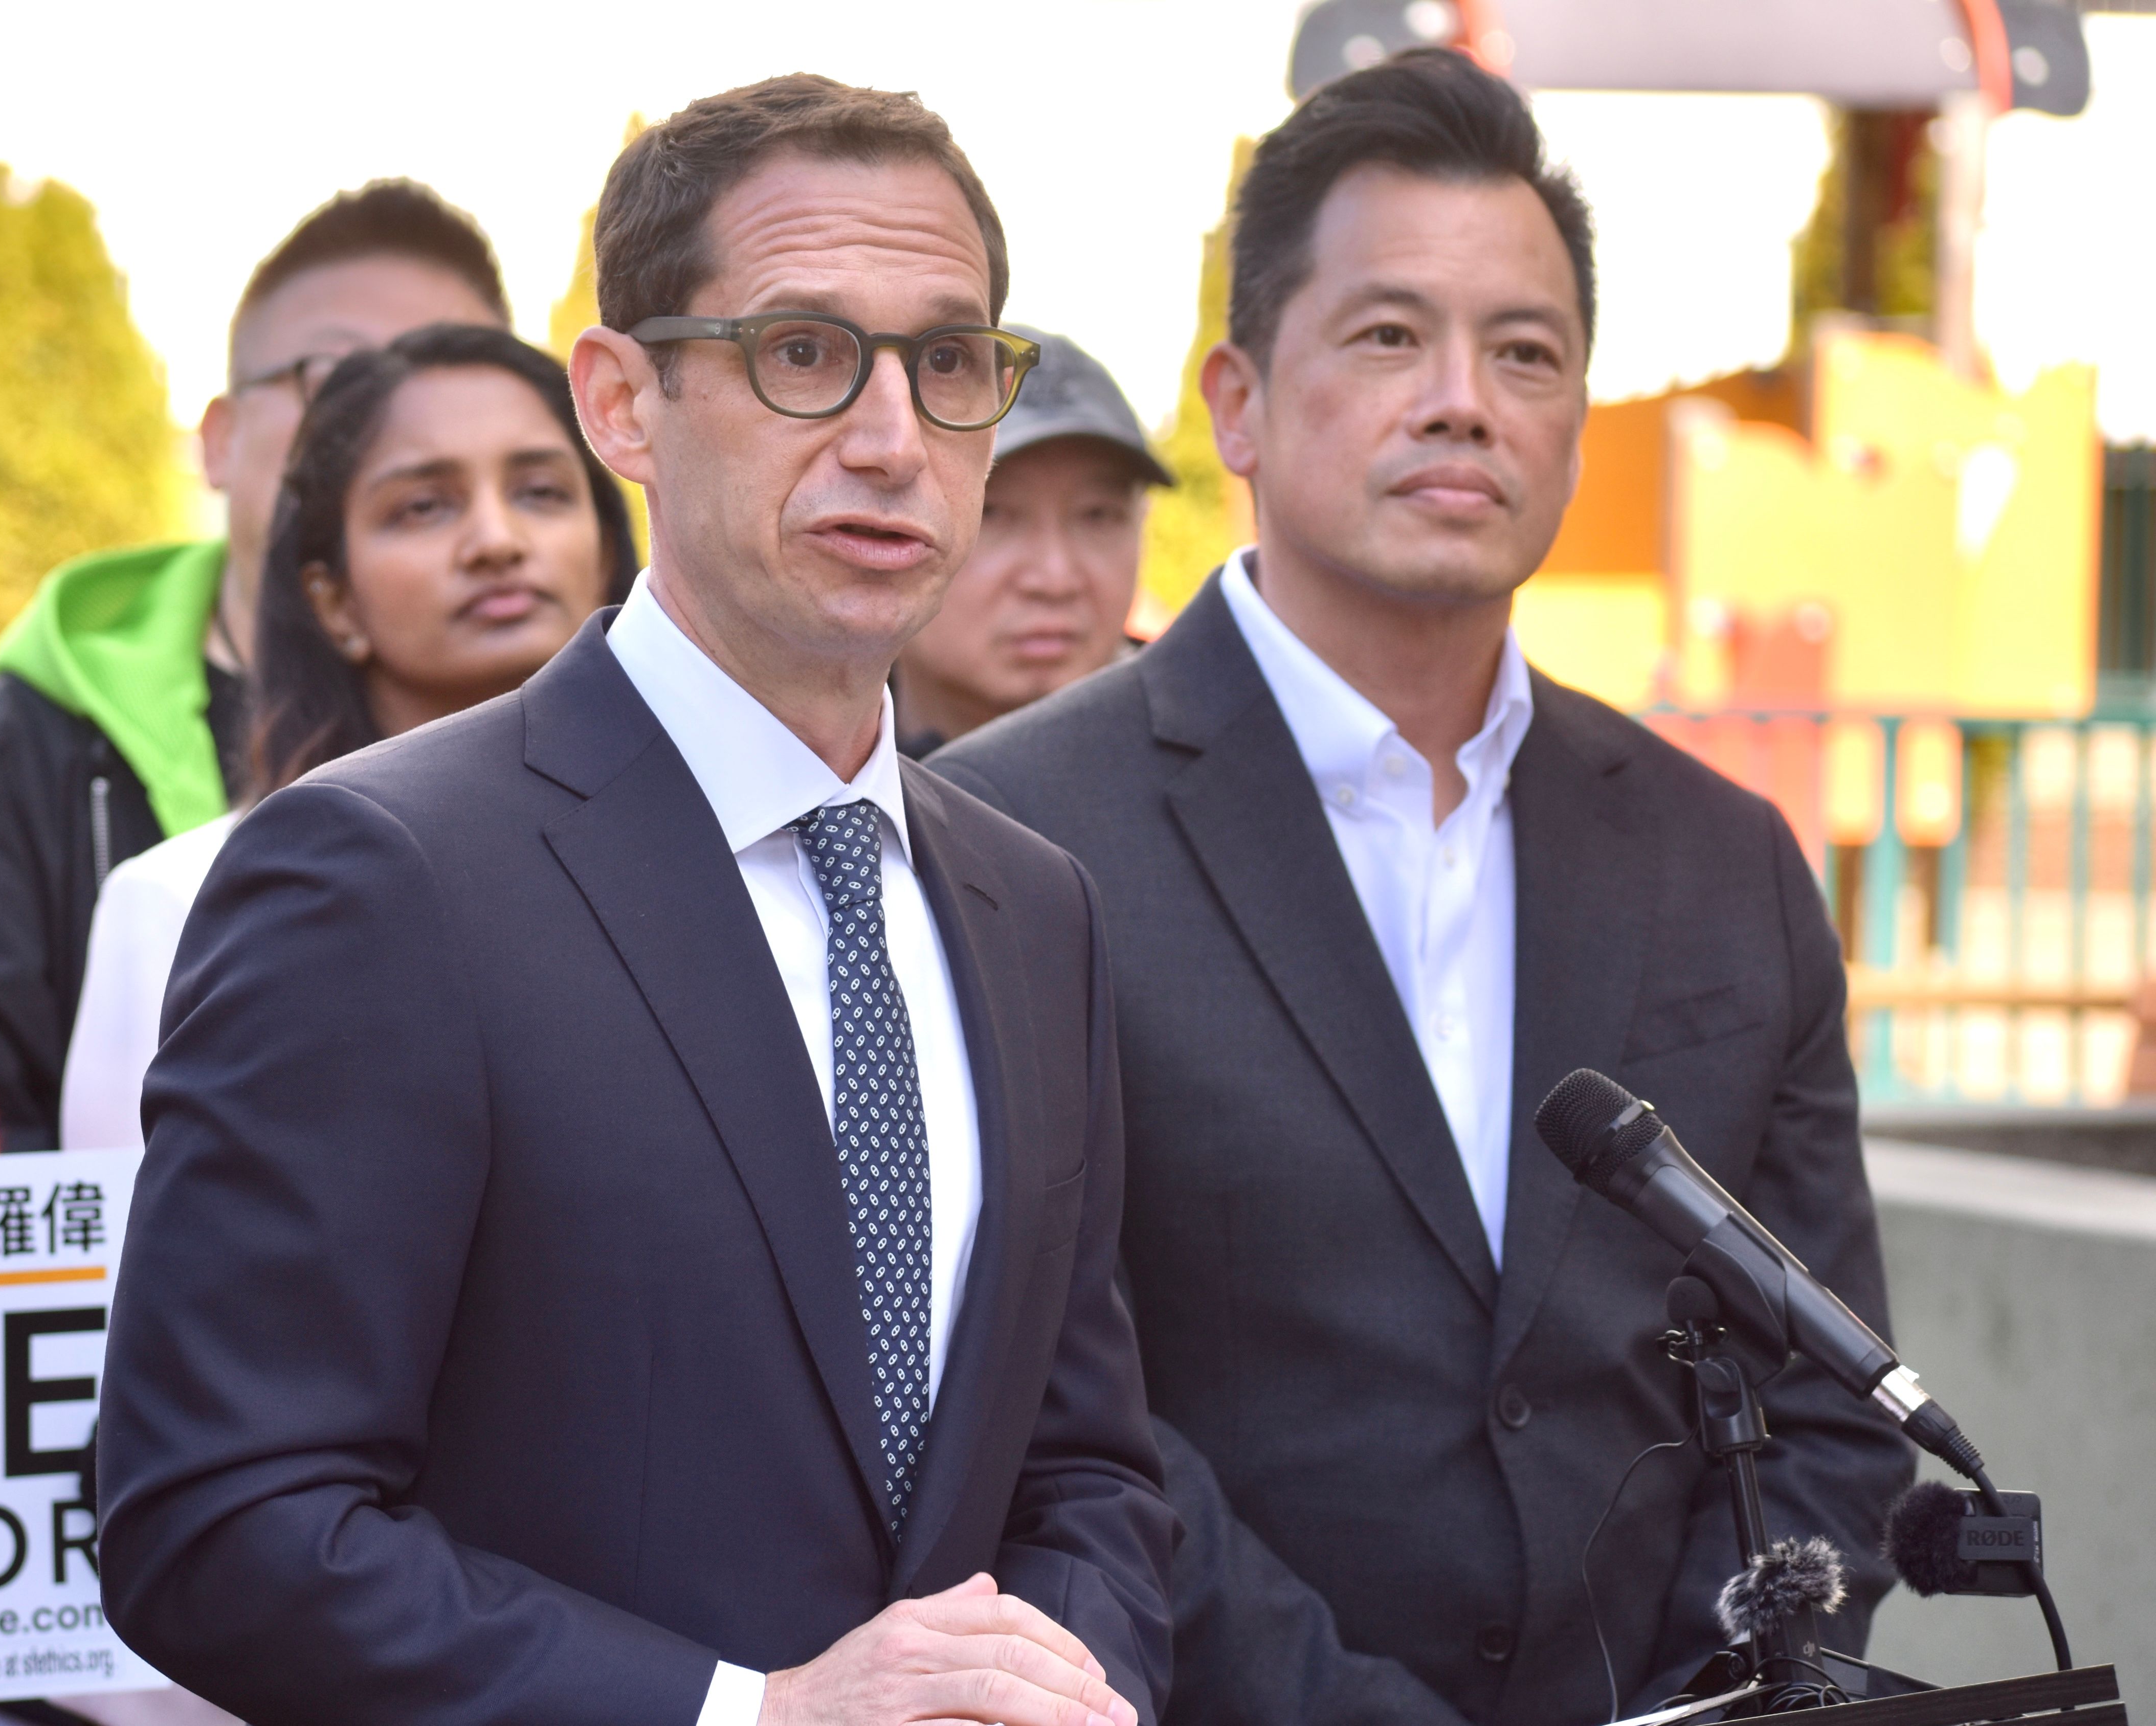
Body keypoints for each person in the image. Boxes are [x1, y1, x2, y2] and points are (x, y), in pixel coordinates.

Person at [97, 75, 1173, 1726]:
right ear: (621, 401)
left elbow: (1084, 1462)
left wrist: (1059, 1682)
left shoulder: (1035, 905)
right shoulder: (382, 872)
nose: (893, 435)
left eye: (949, 361)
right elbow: (224, 1520)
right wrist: (751, 1712)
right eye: (804, 352)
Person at [932, 51, 1914, 1726]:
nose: (1464, 398)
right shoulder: (1001, 841)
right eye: (1389, 336)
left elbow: (1828, 1387)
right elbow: (1032, 1405)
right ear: (1237, 399)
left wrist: (1726, 1697)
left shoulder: (1720, 857)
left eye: (1525, 351)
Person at [0, 181, 513, 1149]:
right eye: (339, 376)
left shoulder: (590, 747)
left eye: (446, 377)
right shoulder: (3, 767)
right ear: (219, 439)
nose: (396, 425)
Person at [57, 323, 638, 1153]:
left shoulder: (739, 854)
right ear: (332, 599)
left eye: (541, 491)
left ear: (607, 546)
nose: (498, 541)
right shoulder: (183, 901)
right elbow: (139, 1265)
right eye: (423, 506)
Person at [892, 328, 1169, 755]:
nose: (1054, 579)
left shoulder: (1234, 762)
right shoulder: (804, 785)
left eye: (1097, 515)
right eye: (992, 513)